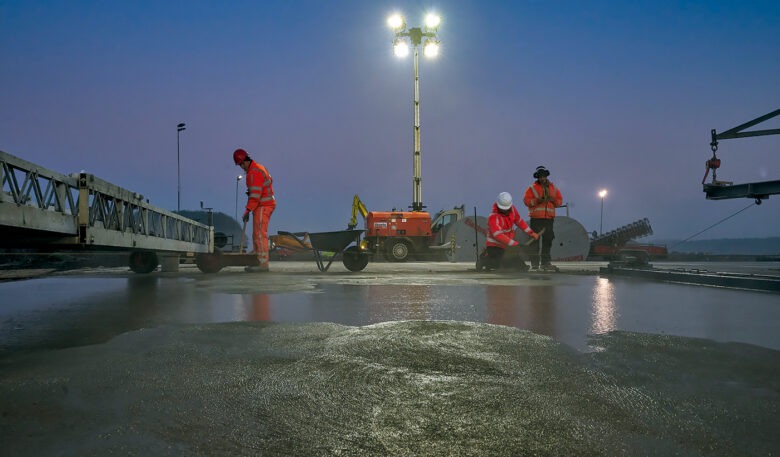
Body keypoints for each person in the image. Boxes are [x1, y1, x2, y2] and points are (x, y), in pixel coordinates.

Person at [233, 148, 276, 272]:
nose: (241, 167)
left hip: (264, 205)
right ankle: (258, 260)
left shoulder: (253, 172)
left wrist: (247, 210)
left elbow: (255, 196)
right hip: (262, 205)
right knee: (256, 234)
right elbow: (265, 185)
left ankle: (263, 264)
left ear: (244, 162)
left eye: (241, 165)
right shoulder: (259, 168)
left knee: (260, 234)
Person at [477, 192, 539, 272]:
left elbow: (519, 221)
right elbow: (498, 235)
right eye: (503, 209)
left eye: (507, 208)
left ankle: (508, 262)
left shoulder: (512, 209)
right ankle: (484, 259)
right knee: (499, 265)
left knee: (520, 266)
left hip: (507, 246)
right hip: (495, 246)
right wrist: (515, 244)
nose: (505, 210)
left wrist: (531, 233)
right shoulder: (493, 217)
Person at [523, 165, 563, 271]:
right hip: (536, 219)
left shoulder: (553, 189)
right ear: (537, 177)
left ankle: (545, 263)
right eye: (540, 177)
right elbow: (526, 201)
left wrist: (552, 200)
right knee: (535, 241)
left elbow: (559, 202)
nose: (542, 178)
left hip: (548, 219)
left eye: (543, 176)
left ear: (546, 176)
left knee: (548, 241)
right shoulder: (531, 188)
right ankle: (535, 264)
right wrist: (537, 200)